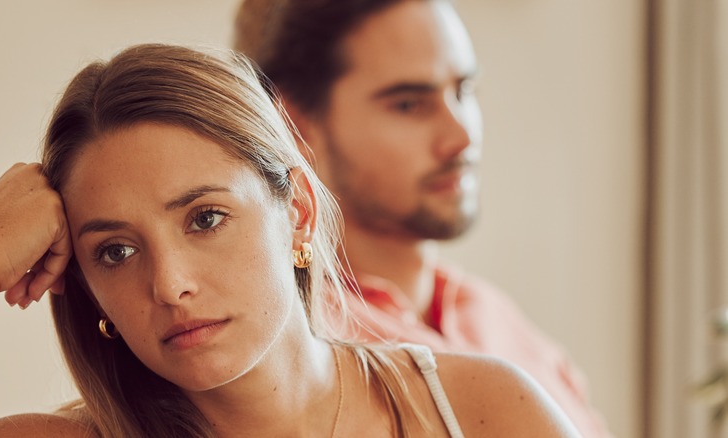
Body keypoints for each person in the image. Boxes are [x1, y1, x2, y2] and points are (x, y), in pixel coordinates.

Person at [0, 44, 579, 437]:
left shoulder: (486, 412)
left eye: (205, 218)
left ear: (298, 211)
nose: (170, 285)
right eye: (115, 251)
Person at [233, 0, 612, 436]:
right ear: (293, 125)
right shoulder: (299, 356)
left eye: (463, 91)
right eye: (409, 105)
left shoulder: (499, 320)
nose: (462, 136)